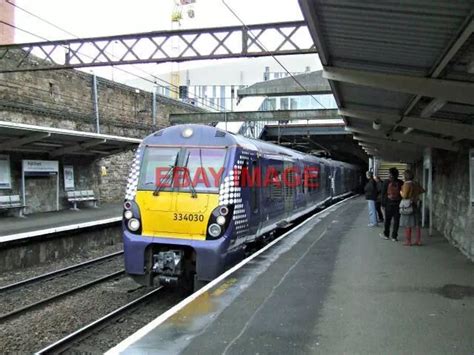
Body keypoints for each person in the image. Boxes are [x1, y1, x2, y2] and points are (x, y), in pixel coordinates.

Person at [400, 169, 425, 246]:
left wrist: (400, 192)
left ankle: (408, 241)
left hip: (408, 205)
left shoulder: (406, 184)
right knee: (417, 223)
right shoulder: (415, 183)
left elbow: (404, 195)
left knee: (408, 223)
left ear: (405, 176)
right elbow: (422, 190)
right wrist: (415, 195)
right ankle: (418, 240)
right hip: (416, 204)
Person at [380, 167, 403, 241]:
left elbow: (383, 193)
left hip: (388, 204)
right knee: (396, 220)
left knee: (387, 220)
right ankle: (394, 236)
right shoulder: (400, 182)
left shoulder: (386, 182)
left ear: (390, 174)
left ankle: (386, 235)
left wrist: (383, 204)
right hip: (398, 204)